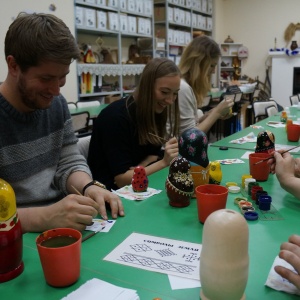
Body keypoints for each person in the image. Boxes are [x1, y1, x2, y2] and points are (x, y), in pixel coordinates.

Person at [0, 12, 124, 233]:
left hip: (61, 225)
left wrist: (88, 187)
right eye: (46, 78)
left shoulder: (55, 104)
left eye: (63, 77)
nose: (57, 90)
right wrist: (45, 216)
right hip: (15, 241)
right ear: (13, 65)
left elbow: (67, 161)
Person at [88, 58, 180, 191]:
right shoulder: (115, 118)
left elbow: (153, 154)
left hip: (139, 188)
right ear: (146, 87)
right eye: (165, 92)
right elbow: (122, 180)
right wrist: (164, 162)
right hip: (111, 194)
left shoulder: (154, 109)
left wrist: (140, 167)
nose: (171, 100)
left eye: (175, 93)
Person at [167, 35, 234, 136]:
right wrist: (217, 112)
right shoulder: (182, 88)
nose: (213, 71)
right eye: (211, 65)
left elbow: (189, 126)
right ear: (199, 63)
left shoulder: (186, 85)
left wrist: (208, 115)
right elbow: (190, 136)